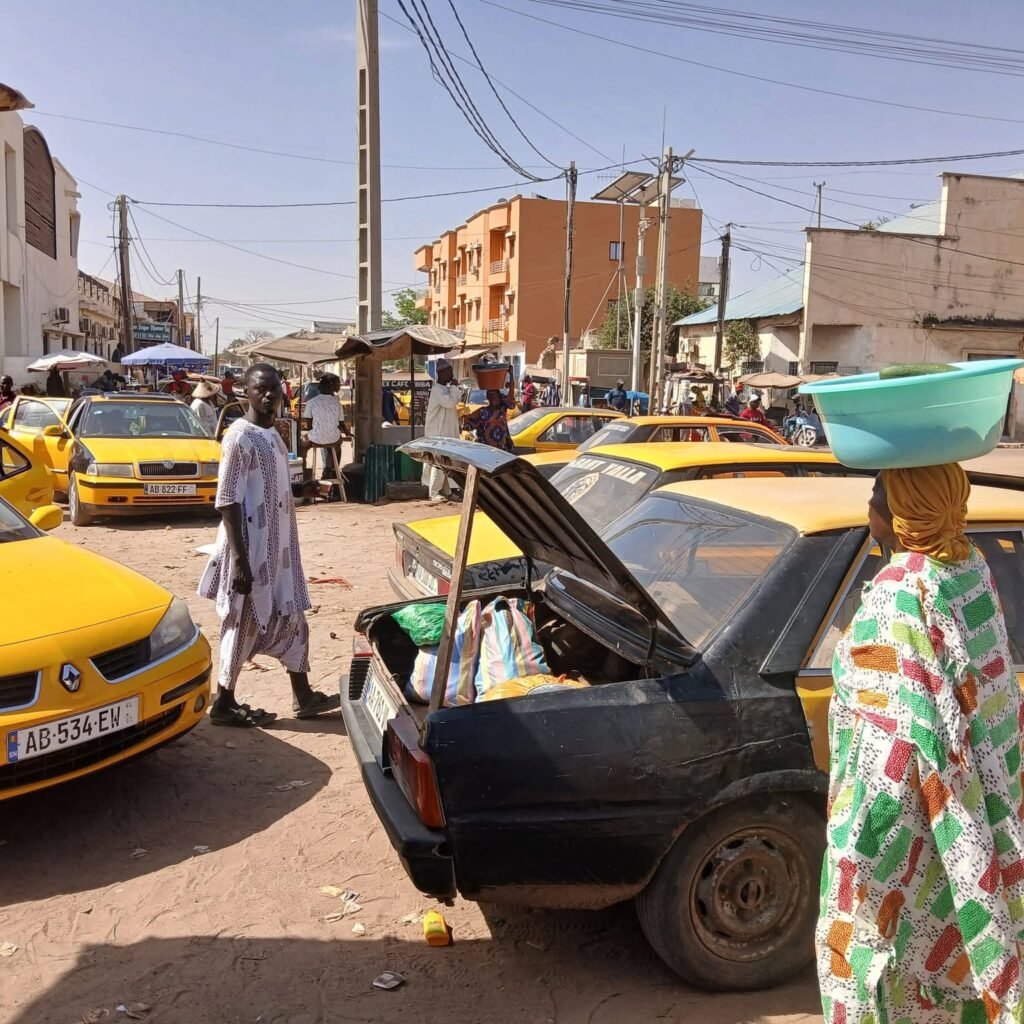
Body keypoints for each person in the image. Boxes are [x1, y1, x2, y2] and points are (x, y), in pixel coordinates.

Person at [817, 466, 1024, 1024]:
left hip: (908, 827)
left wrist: (863, 854)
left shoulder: (899, 591)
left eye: (877, 497)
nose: (868, 509)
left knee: (887, 966)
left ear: (905, 514)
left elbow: (893, 745)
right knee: (965, 949)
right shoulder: (971, 568)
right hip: (982, 807)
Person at [198, 363, 339, 727]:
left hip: (279, 551)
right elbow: (228, 500)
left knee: (292, 618)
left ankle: (303, 696)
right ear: (246, 391)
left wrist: (299, 490)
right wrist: (241, 562)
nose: (269, 394)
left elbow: (266, 487)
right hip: (251, 548)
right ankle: (224, 702)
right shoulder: (239, 437)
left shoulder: (274, 435)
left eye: (274, 388)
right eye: (261, 388)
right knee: (243, 622)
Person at [421, 358, 462, 502]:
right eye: (449, 372)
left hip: (447, 433)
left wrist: (454, 388)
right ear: (441, 373)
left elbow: (456, 400)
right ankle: (433, 492)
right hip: (438, 434)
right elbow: (450, 402)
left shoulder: (447, 389)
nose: (451, 374)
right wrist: (455, 388)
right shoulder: (437, 390)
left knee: (447, 463)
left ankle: (447, 491)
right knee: (439, 464)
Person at [464, 377, 516, 452]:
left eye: (497, 396)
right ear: (488, 398)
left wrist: (511, 374)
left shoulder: (502, 408)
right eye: (492, 396)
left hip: (503, 448)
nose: (495, 398)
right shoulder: (482, 412)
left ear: (500, 397)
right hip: (486, 450)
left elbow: (511, 395)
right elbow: (467, 423)